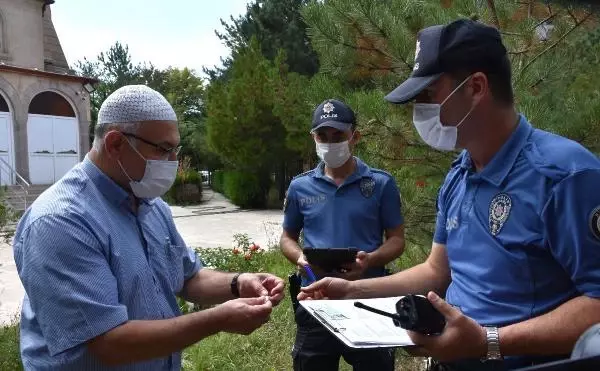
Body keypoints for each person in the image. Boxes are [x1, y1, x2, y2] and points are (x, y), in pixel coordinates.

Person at [297, 19, 600, 371]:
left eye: (427, 95)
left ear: (476, 88)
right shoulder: (460, 174)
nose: (418, 112)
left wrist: (488, 342)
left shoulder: (565, 175)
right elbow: (437, 270)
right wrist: (352, 291)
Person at [13, 85, 285, 371]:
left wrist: (238, 283)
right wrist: (217, 320)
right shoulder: (61, 221)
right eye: (164, 150)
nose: (173, 163)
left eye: (175, 150)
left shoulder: (150, 205)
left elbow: (188, 278)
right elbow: (107, 342)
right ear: (115, 143)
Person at [280, 98, 406, 371]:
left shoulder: (380, 184)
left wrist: (370, 260)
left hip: (368, 297)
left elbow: (397, 240)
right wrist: (300, 258)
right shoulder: (300, 187)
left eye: (338, 135)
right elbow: (287, 237)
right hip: (316, 299)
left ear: (354, 137)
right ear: (313, 137)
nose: (329, 142)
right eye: (322, 136)